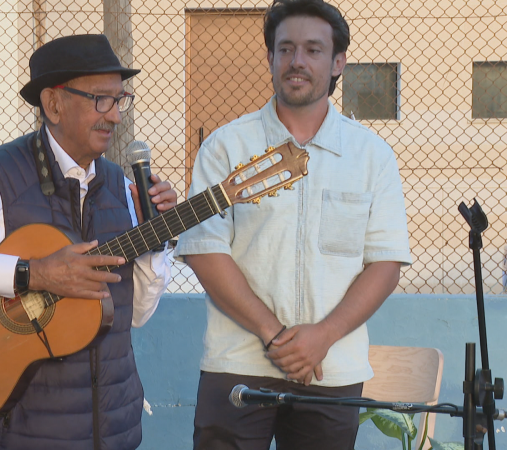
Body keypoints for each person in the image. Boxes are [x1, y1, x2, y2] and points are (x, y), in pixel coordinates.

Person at [0, 34, 177, 450]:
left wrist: (158, 240)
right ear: (53, 104)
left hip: (115, 429)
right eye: (100, 100)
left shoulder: (124, 188)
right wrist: (33, 274)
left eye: (120, 99)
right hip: (25, 432)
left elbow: (132, 315)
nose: (116, 116)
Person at [173, 0, 412, 449]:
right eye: (285, 49)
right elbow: (205, 248)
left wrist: (322, 336)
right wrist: (275, 335)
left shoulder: (371, 156)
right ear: (269, 58)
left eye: (313, 50)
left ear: (338, 61)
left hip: (331, 366)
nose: (297, 61)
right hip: (238, 364)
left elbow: (384, 262)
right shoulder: (227, 146)